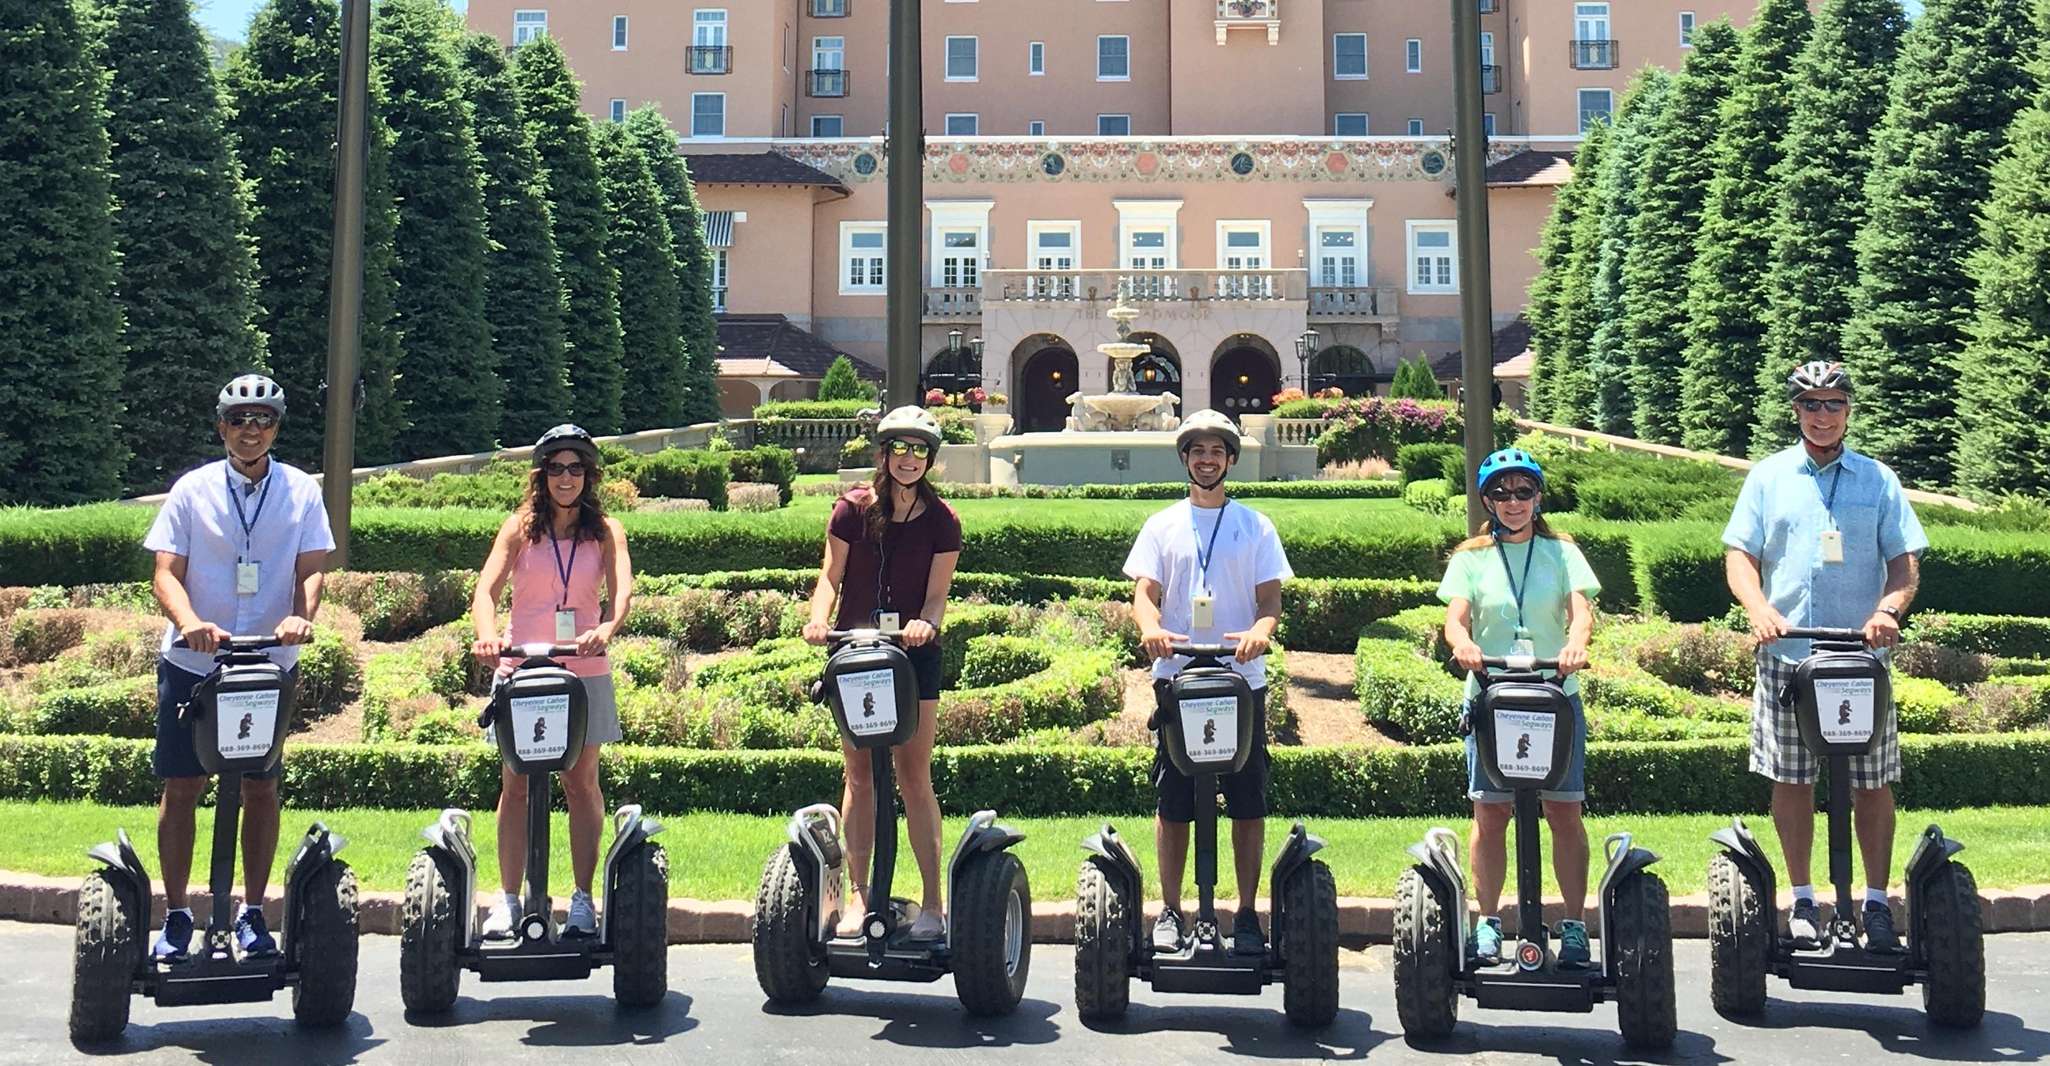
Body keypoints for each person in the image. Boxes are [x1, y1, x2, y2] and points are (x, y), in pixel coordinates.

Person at [1723, 360, 1926, 952]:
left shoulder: (1878, 480)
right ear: (1796, 411)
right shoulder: (1768, 477)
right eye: (1810, 404)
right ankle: (1804, 899)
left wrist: (1888, 611)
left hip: (1862, 660)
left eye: (1833, 404)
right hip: (1789, 656)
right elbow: (1740, 556)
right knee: (1792, 780)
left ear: (1848, 410)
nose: (1822, 415)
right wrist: (1759, 609)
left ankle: (1876, 903)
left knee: (1872, 781)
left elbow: (1904, 561)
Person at [142, 374, 334, 961]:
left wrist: (300, 616)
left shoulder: (300, 491)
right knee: (183, 784)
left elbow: (312, 568)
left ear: (276, 427)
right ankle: (178, 915)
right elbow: (165, 573)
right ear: (222, 427)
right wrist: (190, 621)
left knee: (260, 785)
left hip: (266, 661)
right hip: (194, 662)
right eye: (239, 420)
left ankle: (252, 913)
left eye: (263, 420)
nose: (251, 430)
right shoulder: (192, 490)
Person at [1123, 409, 1292, 956]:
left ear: (1230, 460)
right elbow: (1144, 593)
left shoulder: (1255, 525)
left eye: (1216, 451)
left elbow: (1271, 601)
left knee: (1246, 798)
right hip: (1178, 676)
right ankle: (1171, 910)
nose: (1206, 459)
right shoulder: (1162, 525)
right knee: (1174, 799)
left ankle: (1244, 913)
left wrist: (1260, 632)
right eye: (1197, 451)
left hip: (1240, 678)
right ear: (1185, 458)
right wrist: (1151, 628)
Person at [801, 406, 961, 941]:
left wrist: (925, 624)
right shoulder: (851, 510)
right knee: (860, 775)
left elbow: (937, 596)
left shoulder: (942, 521)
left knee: (914, 776)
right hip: (856, 653)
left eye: (919, 450)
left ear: (930, 459)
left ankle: (934, 903)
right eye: (900, 448)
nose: (909, 459)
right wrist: (819, 619)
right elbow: (830, 576)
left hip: (914, 656)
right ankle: (859, 895)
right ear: (883, 454)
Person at [1438, 447, 1601, 967]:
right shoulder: (1471, 557)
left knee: (1565, 811)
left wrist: (1576, 644)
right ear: (1487, 501)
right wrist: (1463, 643)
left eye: (1523, 492)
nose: (1513, 502)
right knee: (1490, 812)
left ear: (1538, 497)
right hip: (1491, 697)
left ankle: (1573, 925)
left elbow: (1581, 612)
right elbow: (1455, 618)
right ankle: (1488, 922)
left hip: (1555, 694)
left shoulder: (1563, 552)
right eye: (1501, 493)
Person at [471, 425, 634, 939]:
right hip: (524, 668)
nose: (567, 478)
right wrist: (487, 637)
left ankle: (582, 900)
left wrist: (607, 627)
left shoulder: (606, 530)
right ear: (542, 476)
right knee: (516, 783)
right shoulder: (519, 528)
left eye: (576, 468)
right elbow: (486, 590)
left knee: (580, 783)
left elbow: (623, 590)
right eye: (557, 468)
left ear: (589, 475)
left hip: (583, 668)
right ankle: (508, 899)